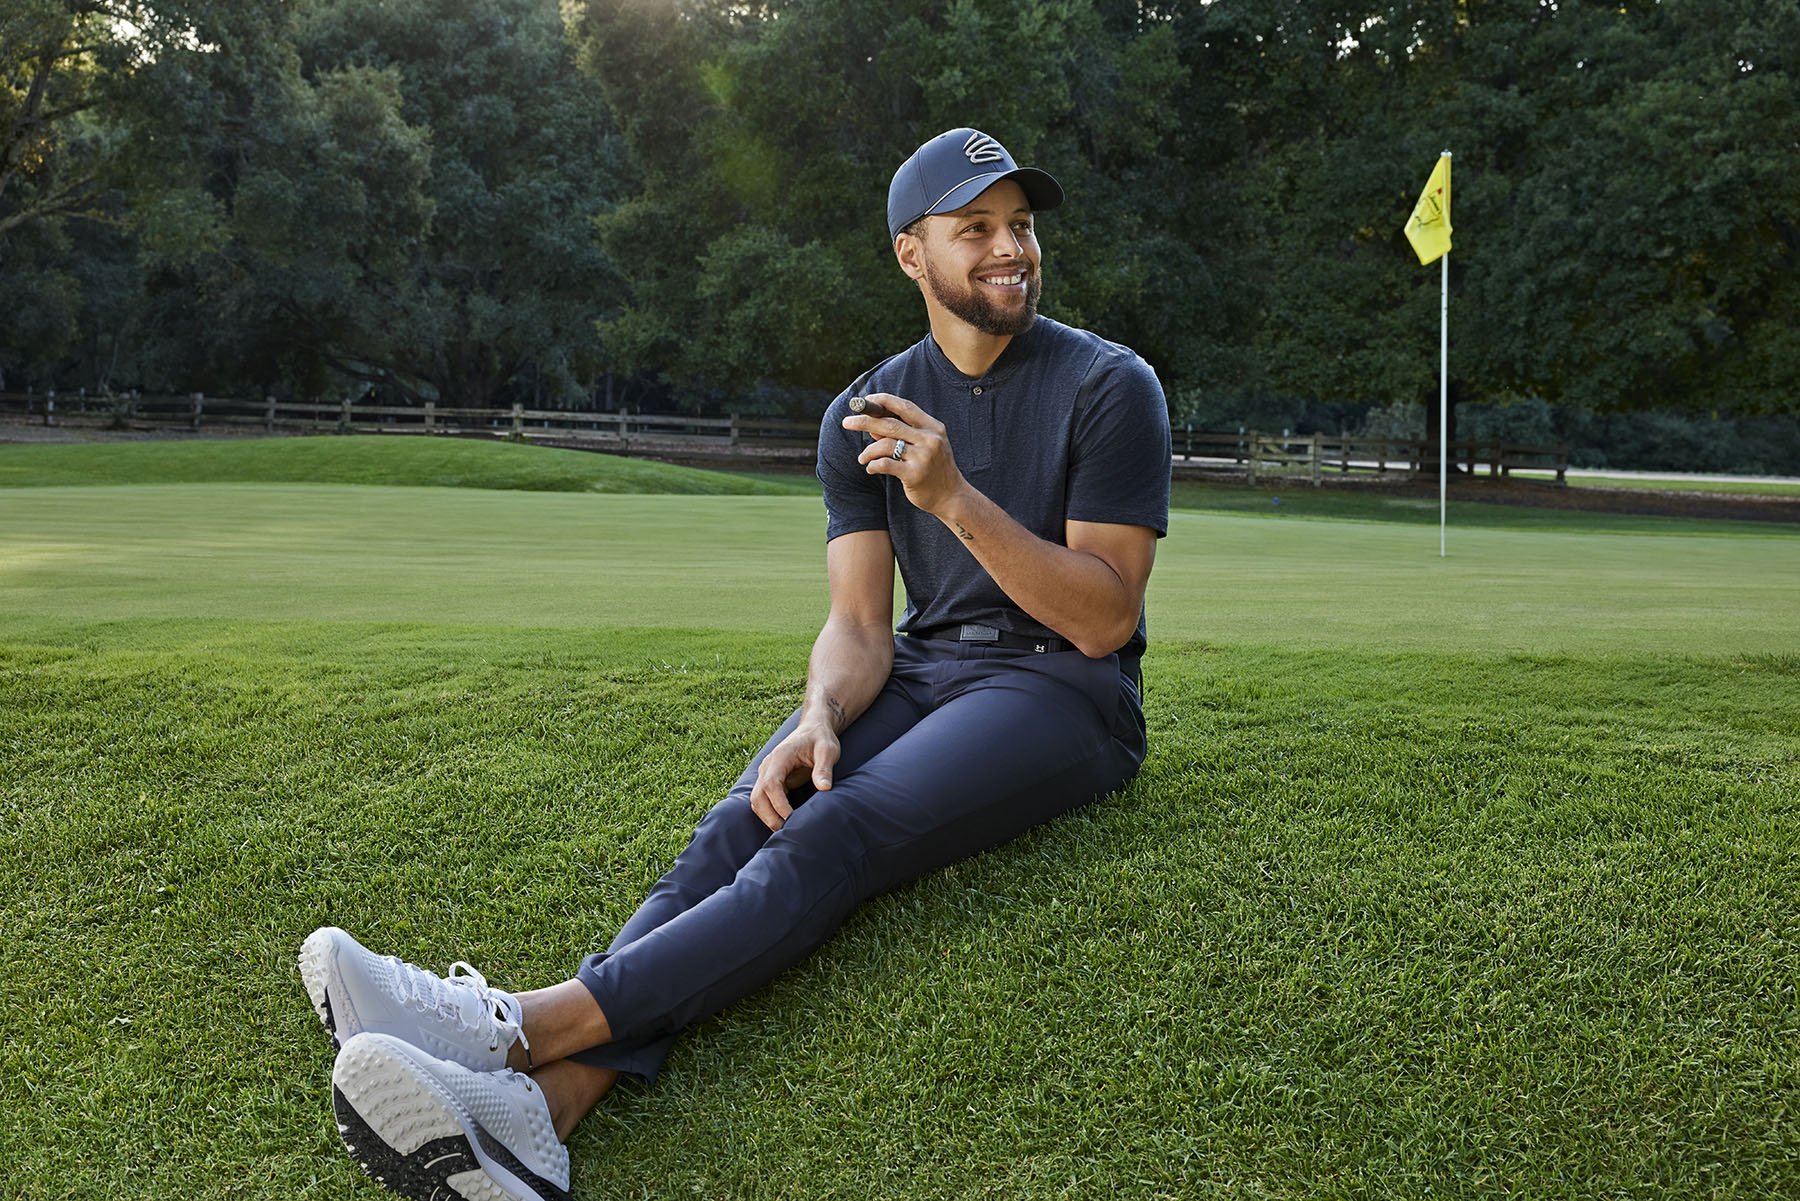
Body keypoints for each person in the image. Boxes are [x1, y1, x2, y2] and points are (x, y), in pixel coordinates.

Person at [298, 127, 1172, 1201]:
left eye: (1022, 227)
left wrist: (953, 499)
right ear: (912, 255)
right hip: (923, 667)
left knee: (839, 828)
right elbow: (862, 623)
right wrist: (820, 714)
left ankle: (510, 1028)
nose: (1012, 250)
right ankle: (544, 1117)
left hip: (1064, 689)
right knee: (743, 819)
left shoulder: (1109, 384)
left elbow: (1103, 616)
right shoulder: (863, 409)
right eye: (977, 228)